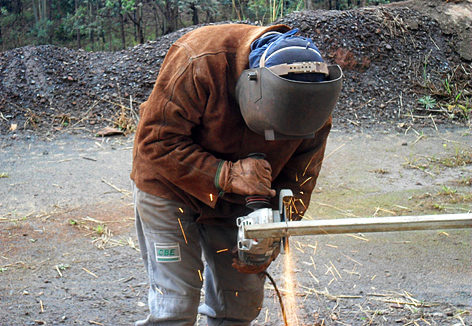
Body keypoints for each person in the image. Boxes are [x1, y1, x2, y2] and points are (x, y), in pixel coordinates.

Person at [130, 23, 342, 326]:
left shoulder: (313, 103)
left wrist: (274, 230)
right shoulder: (200, 59)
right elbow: (155, 139)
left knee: (239, 306)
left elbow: (299, 179)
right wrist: (225, 175)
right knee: (174, 309)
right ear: (252, 84)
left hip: (245, 199)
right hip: (170, 186)